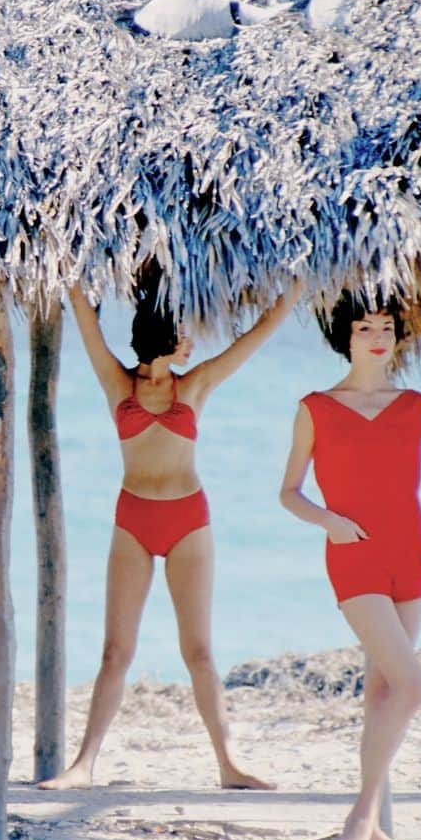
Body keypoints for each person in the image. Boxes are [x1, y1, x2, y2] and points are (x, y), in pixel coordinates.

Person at [39, 270, 301, 791]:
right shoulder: (121, 384)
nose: (185, 341)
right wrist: (64, 262)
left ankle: (229, 765)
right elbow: (86, 320)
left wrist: (294, 288)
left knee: (198, 651)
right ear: (167, 339)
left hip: (187, 522)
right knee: (117, 652)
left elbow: (259, 332)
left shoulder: (194, 383)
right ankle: (84, 765)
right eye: (177, 333)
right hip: (133, 521)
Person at [279, 293, 421, 840]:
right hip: (353, 556)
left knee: (384, 685)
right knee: (413, 685)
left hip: (411, 561)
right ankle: (362, 816)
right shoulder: (315, 407)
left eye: (387, 327)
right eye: (365, 326)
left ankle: (366, 826)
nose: (377, 336)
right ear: (344, 336)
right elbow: (289, 492)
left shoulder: (415, 405)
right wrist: (329, 522)